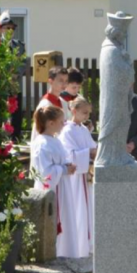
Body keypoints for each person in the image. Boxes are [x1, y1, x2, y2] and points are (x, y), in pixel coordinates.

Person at [31, 106, 80, 258]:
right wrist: (64, 170)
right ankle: (57, 253)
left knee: (67, 218)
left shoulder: (54, 140)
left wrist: (67, 166)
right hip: (53, 190)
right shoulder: (42, 143)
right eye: (61, 121)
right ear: (50, 123)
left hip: (62, 187)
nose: (64, 124)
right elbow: (45, 173)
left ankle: (67, 252)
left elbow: (59, 161)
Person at [59, 98, 97, 256]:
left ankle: (86, 245)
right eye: (84, 112)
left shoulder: (83, 129)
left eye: (88, 113)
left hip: (85, 176)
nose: (87, 116)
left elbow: (92, 146)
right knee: (77, 211)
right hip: (74, 179)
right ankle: (77, 247)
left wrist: (95, 151)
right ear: (74, 111)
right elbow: (70, 155)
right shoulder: (67, 130)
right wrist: (89, 153)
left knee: (87, 210)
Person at [0, 11, 28, 141]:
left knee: (15, 112)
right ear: (1, 29)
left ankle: (15, 137)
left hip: (15, 84)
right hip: (0, 84)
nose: (10, 30)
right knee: (0, 112)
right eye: (7, 27)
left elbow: (24, 61)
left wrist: (16, 74)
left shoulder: (19, 45)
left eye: (12, 28)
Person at [32, 67, 71, 142]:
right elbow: (38, 131)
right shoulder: (45, 104)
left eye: (66, 81)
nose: (64, 84)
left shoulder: (64, 102)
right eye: (61, 80)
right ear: (50, 81)